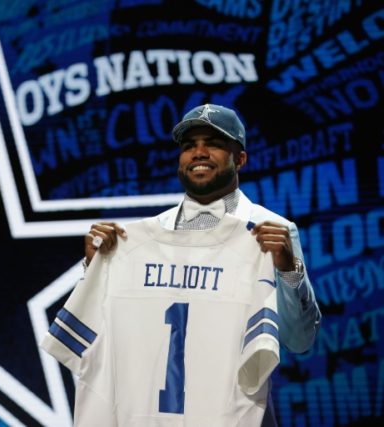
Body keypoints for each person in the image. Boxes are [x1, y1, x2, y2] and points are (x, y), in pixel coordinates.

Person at [42, 103, 321, 426]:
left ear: (240, 159)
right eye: (189, 146)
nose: (199, 153)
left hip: (236, 413)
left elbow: (300, 341)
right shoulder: (140, 238)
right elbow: (103, 338)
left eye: (214, 143)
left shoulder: (270, 230)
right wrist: (96, 270)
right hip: (151, 414)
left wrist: (288, 270)